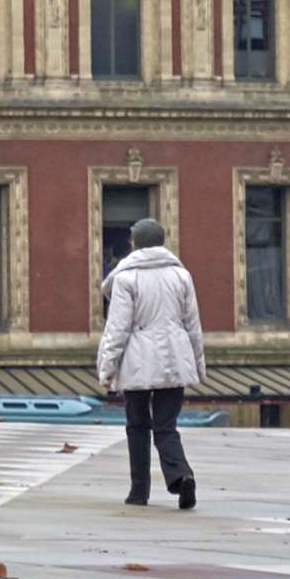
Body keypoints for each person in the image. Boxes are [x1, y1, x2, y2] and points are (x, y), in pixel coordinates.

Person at [96, 213, 204, 510]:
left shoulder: (126, 278)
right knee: (166, 426)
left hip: (138, 361)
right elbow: (193, 324)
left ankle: (138, 491)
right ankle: (181, 476)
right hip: (175, 358)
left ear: (134, 244)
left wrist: (107, 368)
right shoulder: (181, 276)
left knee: (137, 426)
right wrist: (198, 363)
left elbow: (117, 328)